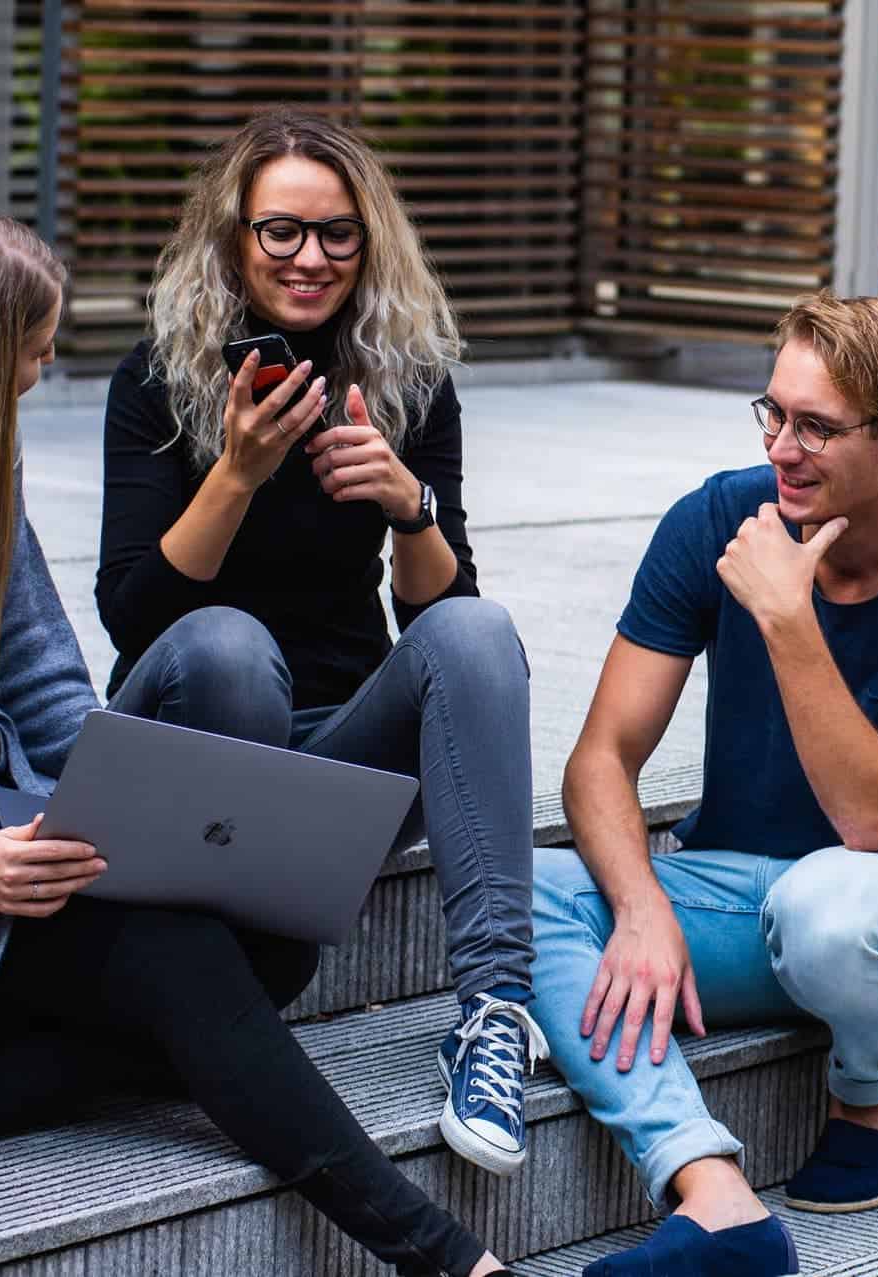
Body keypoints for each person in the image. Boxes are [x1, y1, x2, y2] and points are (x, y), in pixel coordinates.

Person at [0, 205, 521, 1277]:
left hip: (3, 822)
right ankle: (440, 1253)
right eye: (27, 352)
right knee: (184, 959)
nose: (36, 374)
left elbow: (47, 688)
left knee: (273, 948)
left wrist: (128, 805)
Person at [529, 292, 878, 1276]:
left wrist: (786, 617)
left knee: (830, 904)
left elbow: (874, 811)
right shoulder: (718, 516)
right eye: (771, 413)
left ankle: (872, 1085)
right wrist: (635, 907)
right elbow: (598, 756)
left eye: (814, 426)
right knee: (513, 886)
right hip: (725, 889)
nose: (780, 448)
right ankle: (709, 1191)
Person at [95, 108, 544, 1176]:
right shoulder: (156, 379)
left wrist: (408, 507)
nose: (309, 259)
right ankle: (220, 971)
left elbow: (443, 624)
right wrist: (237, 472)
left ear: (369, 240)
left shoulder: (408, 379)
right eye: (280, 232)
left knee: (478, 632)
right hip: (191, 740)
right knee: (227, 646)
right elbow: (133, 616)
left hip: (333, 764)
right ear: (233, 238)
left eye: (337, 233)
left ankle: (491, 1014)